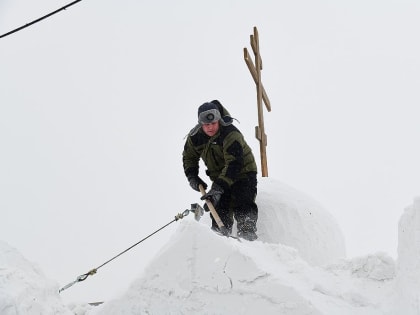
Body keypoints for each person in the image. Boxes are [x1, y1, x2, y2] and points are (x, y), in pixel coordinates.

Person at [182, 100, 259, 241]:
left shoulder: (231, 133)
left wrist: (219, 187)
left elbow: (234, 164)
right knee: (219, 206)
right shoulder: (195, 137)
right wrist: (192, 177)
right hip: (220, 177)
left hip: (243, 172)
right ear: (201, 124)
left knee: (243, 200)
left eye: (213, 123)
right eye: (206, 124)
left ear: (219, 120)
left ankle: (247, 233)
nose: (210, 127)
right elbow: (189, 158)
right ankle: (220, 238)